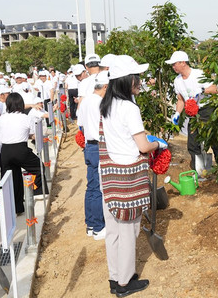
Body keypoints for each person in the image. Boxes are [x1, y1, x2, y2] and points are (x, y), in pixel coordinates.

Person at [100, 55, 167, 297]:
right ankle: (125, 283)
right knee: (129, 230)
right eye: (136, 77)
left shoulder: (106, 105)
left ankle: (115, 276)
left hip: (110, 175)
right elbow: (142, 146)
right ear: (127, 81)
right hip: (128, 175)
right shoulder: (129, 107)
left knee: (114, 230)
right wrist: (158, 145)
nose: (139, 81)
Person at [165, 50, 218, 174]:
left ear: (182, 63)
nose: (173, 67)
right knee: (193, 144)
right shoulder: (177, 81)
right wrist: (177, 113)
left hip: (206, 109)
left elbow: (215, 89)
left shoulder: (198, 74)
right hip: (192, 112)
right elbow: (181, 99)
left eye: (174, 64)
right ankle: (201, 171)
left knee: (214, 140)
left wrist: (202, 90)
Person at [0, 93, 47, 215]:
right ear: (21, 104)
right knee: (39, 167)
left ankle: (16, 208)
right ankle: (37, 192)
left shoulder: (2, 118)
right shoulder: (24, 117)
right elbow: (31, 132)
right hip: (20, 149)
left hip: (5, 151)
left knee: (13, 179)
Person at [77, 71, 109, 240]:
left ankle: (90, 224)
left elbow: (80, 124)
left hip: (89, 146)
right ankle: (98, 226)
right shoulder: (100, 103)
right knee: (98, 188)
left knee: (91, 186)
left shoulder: (86, 100)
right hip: (98, 146)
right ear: (105, 87)